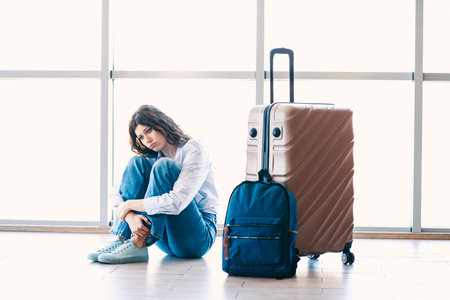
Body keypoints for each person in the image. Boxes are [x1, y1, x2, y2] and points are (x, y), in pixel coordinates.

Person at [88, 104, 219, 264]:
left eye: (149, 131)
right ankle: (123, 239)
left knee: (164, 166)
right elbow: (115, 194)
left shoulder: (193, 150)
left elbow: (177, 202)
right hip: (165, 239)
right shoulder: (153, 157)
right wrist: (130, 217)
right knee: (136, 162)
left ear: (162, 123)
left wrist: (129, 205)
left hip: (197, 237)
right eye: (141, 137)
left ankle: (138, 242)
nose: (147, 140)